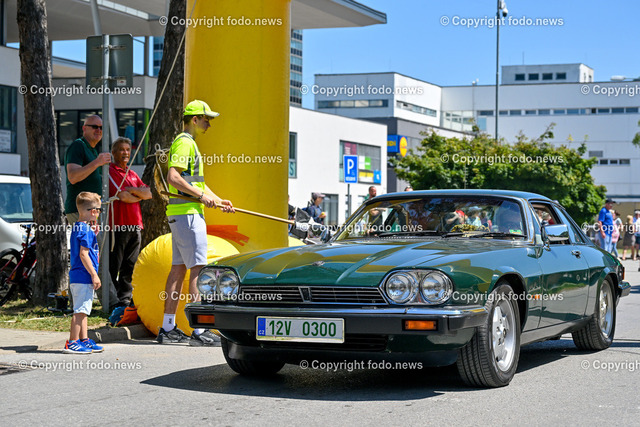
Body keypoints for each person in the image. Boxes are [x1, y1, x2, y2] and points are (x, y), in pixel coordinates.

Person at [157, 100, 235, 346]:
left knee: (179, 269)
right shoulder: (185, 142)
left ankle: (168, 328)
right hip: (188, 214)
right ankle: (200, 331)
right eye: (206, 119)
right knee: (198, 269)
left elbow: (195, 182)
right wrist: (201, 197)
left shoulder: (188, 143)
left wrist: (217, 200)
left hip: (182, 213)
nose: (209, 124)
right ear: (194, 119)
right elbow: (173, 177)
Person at [108, 137, 152, 307]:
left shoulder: (132, 174)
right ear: (113, 153)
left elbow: (148, 193)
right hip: (119, 225)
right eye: (121, 149)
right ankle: (111, 299)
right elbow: (123, 197)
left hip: (136, 225)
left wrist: (133, 190)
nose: (125, 153)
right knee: (115, 264)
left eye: (128, 149)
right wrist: (138, 195)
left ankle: (124, 298)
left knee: (130, 264)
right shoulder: (110, 172)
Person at [64, 192, 104, 354]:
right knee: (80, 311)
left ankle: (84, 339)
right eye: (99, 210)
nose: (99, 213)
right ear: (93, 211)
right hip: (84, 276)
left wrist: (93, 233)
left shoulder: (79, 227)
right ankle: (72, 342)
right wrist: (94, 274)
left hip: (78, 276)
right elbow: (83, 254)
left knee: (84, 310)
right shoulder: (85, 230)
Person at [64, 115, 112, 224]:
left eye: (101, 127)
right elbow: (73, 177)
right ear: (84, 128)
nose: (99, 130)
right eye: (95, 127)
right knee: (83, 236)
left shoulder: (93, 150)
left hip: (92, 211)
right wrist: (97, 162)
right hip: (80, 211)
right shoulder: (78, 145)